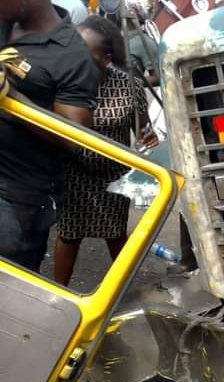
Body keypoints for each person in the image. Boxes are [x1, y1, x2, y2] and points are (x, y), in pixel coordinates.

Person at [54, 15, 157, 286]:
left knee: (115, 233)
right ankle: (58, 293)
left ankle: (123, 291)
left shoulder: (128, 85)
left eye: (84, 53)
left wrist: (151, 166)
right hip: (74, 173)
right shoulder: (64, 83)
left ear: (107, 57)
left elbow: (144, 131)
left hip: (115, 175)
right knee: (69, 234)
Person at [0, 0, 100, 271]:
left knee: (10, 297)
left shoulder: (71, 54)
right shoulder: (6, 21)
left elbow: (73, 134)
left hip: (16, 200)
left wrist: (11, 94)